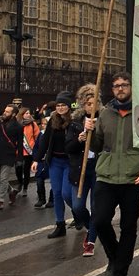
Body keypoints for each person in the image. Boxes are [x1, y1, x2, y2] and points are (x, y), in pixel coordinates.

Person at [84, 71, 139, 276]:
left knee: (128, 226)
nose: (120, 88)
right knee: (99, 221)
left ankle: (120, 273)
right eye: (116, 85)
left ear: (131, 87)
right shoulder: (106, 114)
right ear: (112, 89)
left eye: (124, 85)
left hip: (133, 178)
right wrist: (88, 133)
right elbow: (98, 146)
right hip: (106, 176)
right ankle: (114, 258)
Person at [32, 92, 75, 238]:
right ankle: (60, 224)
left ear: (69, 106)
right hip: (55, 162)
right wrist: (36, 159)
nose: (61, 108)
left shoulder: (74, 121)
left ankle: (78, 212)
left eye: (63, 105)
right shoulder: (53, 121)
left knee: (66, 193)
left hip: (69, 162)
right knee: (56, 193)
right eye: (58, 105)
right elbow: (44, 142)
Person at [66, 84, 99, 257]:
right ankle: (90, 225)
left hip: (98, 168)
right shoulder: (75, 124)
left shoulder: (104, 120)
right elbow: (69, 148)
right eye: (88, 103)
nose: (91, 106)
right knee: (78, 206)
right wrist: (79, 140)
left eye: (94, 103)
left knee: (96, 206)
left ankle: (91, 240)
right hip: (80, 168)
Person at [0, 104, 23, 211]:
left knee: (4, 179)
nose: (5, 113)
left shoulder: (18, 127)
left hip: (9, 155)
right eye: (5, 110)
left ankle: (0, 200)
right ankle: (12, 191)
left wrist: (19, 158)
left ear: (13, 114)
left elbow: (20, 144)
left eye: (7, 112)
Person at [18, 107, 40, 201]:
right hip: (18, 151)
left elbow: (38, 137)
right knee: (18, 169)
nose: (28, 114)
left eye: (29, 113)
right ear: (22, 114)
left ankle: (25, 188)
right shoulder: (17, 124)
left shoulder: (33, 124)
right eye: (26, 113)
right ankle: (20, 182)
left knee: (26, 170)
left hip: (29, 151)